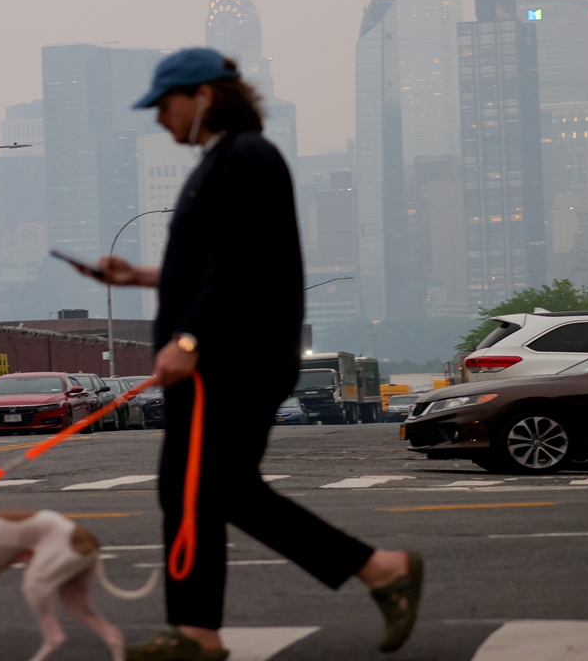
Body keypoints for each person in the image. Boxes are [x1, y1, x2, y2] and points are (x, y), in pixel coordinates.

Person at [73, 48, 423, 661]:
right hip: (220, 358)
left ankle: (380, 569)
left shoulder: (246, 157)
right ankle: (198, 630)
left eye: (163, 103)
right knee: (192, 489)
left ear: (204, 95)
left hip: (234, 361)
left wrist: (188, 340)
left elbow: (240, 267)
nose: (157, 117)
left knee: (215, 487)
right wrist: (139, 278)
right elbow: (209, 267)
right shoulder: (220, 164)